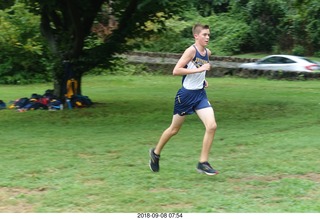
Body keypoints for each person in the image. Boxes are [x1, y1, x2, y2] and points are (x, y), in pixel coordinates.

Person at [149, 24, 218, 176]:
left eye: (208, 35)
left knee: (211, 126)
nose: (207, 37)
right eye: (205, 34)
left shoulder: (207, 52)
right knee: (174, 129)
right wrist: (200, 70)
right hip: (185, 96)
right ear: (196, 36)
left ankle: (203, 163)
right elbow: (176, 70)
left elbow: (196, 72)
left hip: (200, 95)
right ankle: (155, 153)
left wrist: (202, 80)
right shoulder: (191, 50)